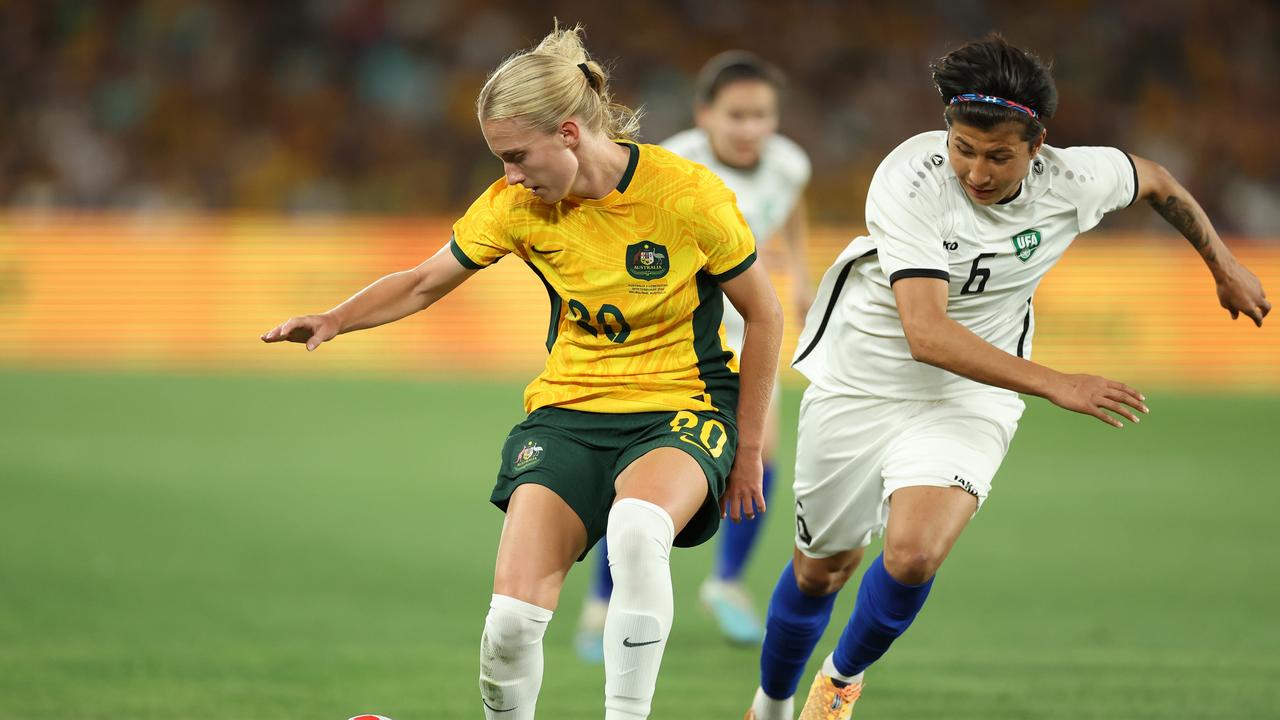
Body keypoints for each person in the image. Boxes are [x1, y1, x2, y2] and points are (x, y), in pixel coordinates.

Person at [261, 24, 783, 720]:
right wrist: (335, 318)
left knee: (635, 533)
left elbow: (766, 314)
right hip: (567, 415)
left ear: (569, 132)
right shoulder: (518, 206)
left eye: (516, 156)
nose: (509, 176)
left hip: (678, 408)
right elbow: (422, 282)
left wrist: (748, 450)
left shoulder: (686, 196)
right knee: (509, 624)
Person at [743, 34, 1270, 720]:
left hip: (971, 392)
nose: (977, 170)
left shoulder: (1076, 179)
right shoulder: (909, 180)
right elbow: (926, 333)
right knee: (821, 571)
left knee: (912, 555)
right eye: (963, 147)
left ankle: (838, 686)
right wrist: (1056, 382)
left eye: (998, 155)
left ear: (1038, 144)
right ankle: (770, 705)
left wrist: (1222, 263)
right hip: (864, 381)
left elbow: (1159, 182)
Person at [575, 50, 812, 658]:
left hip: (747, 325)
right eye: (736, 114)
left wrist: (803, 275)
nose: (749, 127)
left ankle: (727, 583)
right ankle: (602, 603)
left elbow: (793, 210)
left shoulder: (789, 163)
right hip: (675, 330)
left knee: (762, 455)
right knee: (638, 465)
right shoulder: (673, 162)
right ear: (706, 114)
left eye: (761, 114)